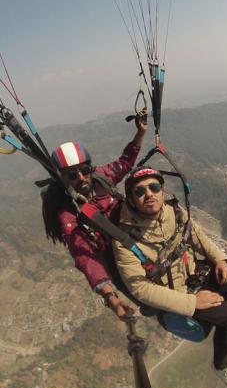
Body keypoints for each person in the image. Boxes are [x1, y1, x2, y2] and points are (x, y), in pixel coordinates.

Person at [112, 166, 227, 388]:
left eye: (154, 187)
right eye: (140, 191)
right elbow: (140, 289)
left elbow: (196, 235)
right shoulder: (124, 239)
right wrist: (192, 302)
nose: (149, 194)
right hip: (174, 295)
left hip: (194, 274)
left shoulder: (173, 212)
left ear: (162, 190)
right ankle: (221, 365)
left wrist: (220, 260)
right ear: (131, 199)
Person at [41, 110, 149, 320]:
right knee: (148, 302)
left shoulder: (102, 178)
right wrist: (111, 298)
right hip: (115, 258)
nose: (81, 177)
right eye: (72, 175)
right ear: (62, 178)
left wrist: (140, 134)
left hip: (136, 239)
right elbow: (83, 255)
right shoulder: (68, 213)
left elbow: (125, 162)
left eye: (85, 169)